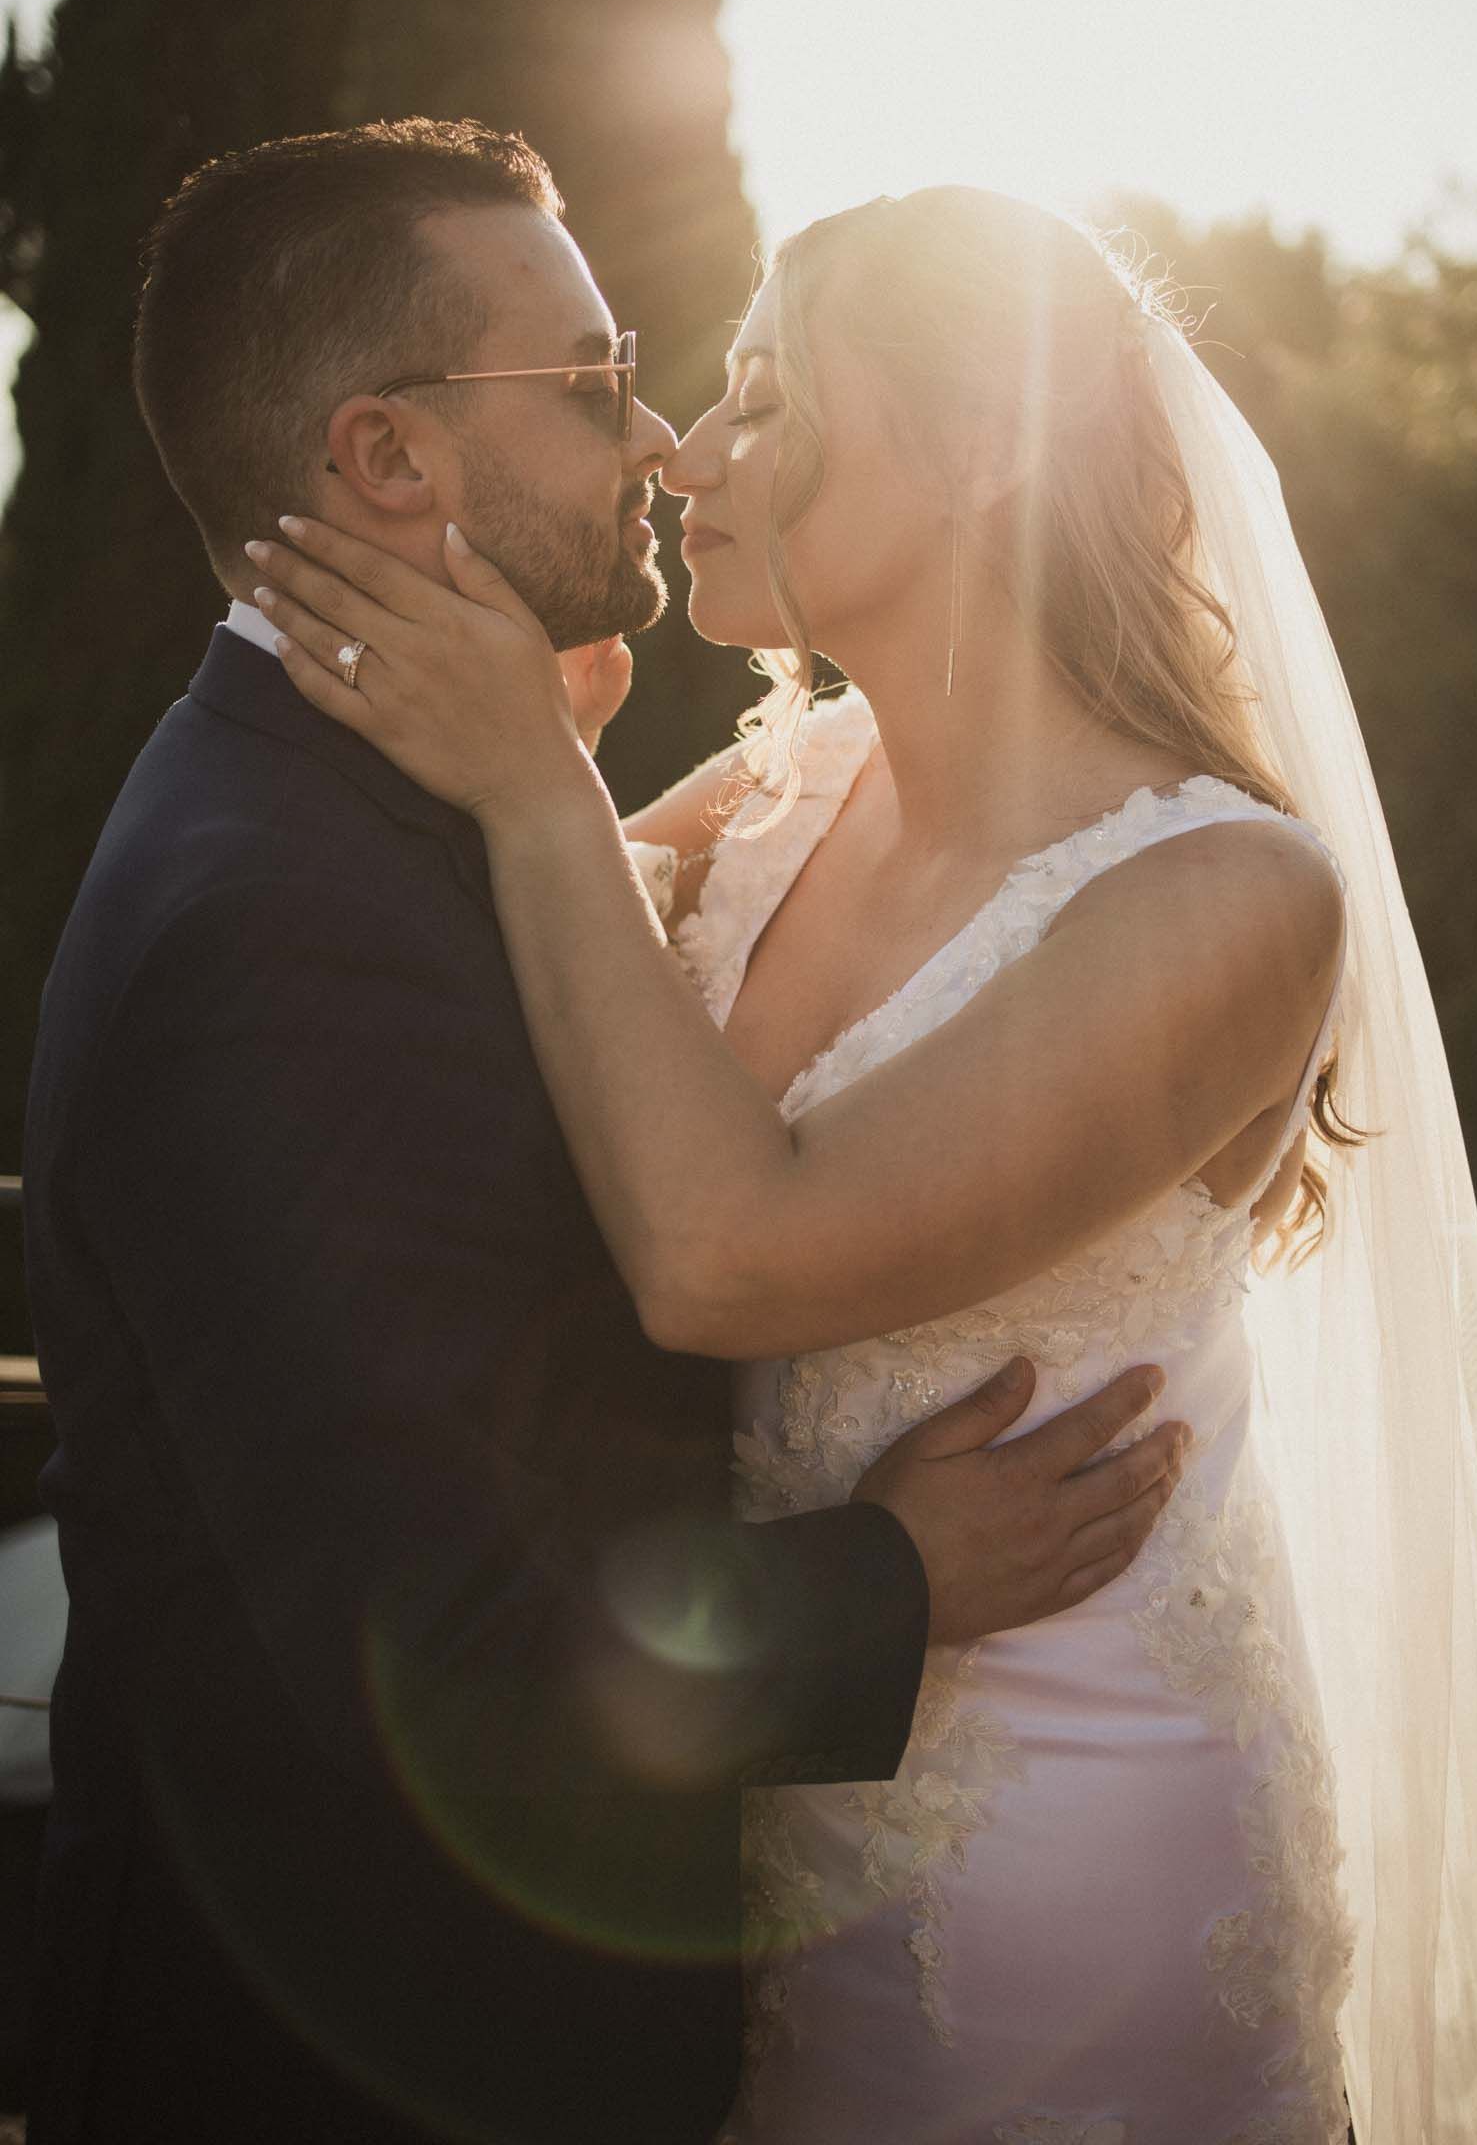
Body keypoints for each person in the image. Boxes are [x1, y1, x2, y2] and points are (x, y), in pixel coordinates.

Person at [257, 183, 1477, 2143]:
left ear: (979, 447)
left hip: (1071, 1860)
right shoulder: (784, 787)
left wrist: (540, 784)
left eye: (766, 401)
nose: (687, 459)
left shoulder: (1227, 895)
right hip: (768, 1784)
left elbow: (721, 1256)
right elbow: (536, 1041)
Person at [21, 127, 1191, 2145]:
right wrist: (894, 1577)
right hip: (367, 2057)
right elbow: (461, 1667)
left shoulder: (375, 813)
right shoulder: (277, 922)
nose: (653, 438)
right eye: (583, 384)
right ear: (388, 460)